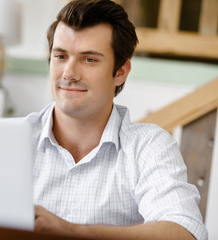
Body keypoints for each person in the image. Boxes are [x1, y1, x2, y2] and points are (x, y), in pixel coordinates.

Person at [25, 0, 208, 239]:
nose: (69, 73)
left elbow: (185, 232)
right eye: (60, 56)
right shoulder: (14, 138)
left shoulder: (149, 146)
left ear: (121, 71)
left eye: (89, 59)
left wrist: (72, 231)